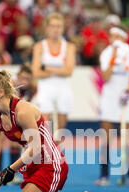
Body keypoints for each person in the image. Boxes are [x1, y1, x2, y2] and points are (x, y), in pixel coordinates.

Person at [96, 26, 129, 187]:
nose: (113, 39)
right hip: (108, 98)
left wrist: (128, 90)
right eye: (111, 36)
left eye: (117, 36)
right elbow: (105, 76)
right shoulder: (106, 54)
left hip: (124, 99)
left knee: (126, 139)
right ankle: (104, 175)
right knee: (106, 138)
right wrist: (113, 57)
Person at [31, 12, 76, 141]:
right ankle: (45, 156)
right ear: (47, 28)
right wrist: (59, 70)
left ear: (62, 28)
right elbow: (36, 72)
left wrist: (47, 67)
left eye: (59, 26)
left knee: (61, 130)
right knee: (44, 126)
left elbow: (69, 71)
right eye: (52, 26)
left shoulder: (69, 47)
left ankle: (58, 157)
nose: (55, 29)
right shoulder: (39, 46)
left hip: (63, 88)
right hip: (45, 88)